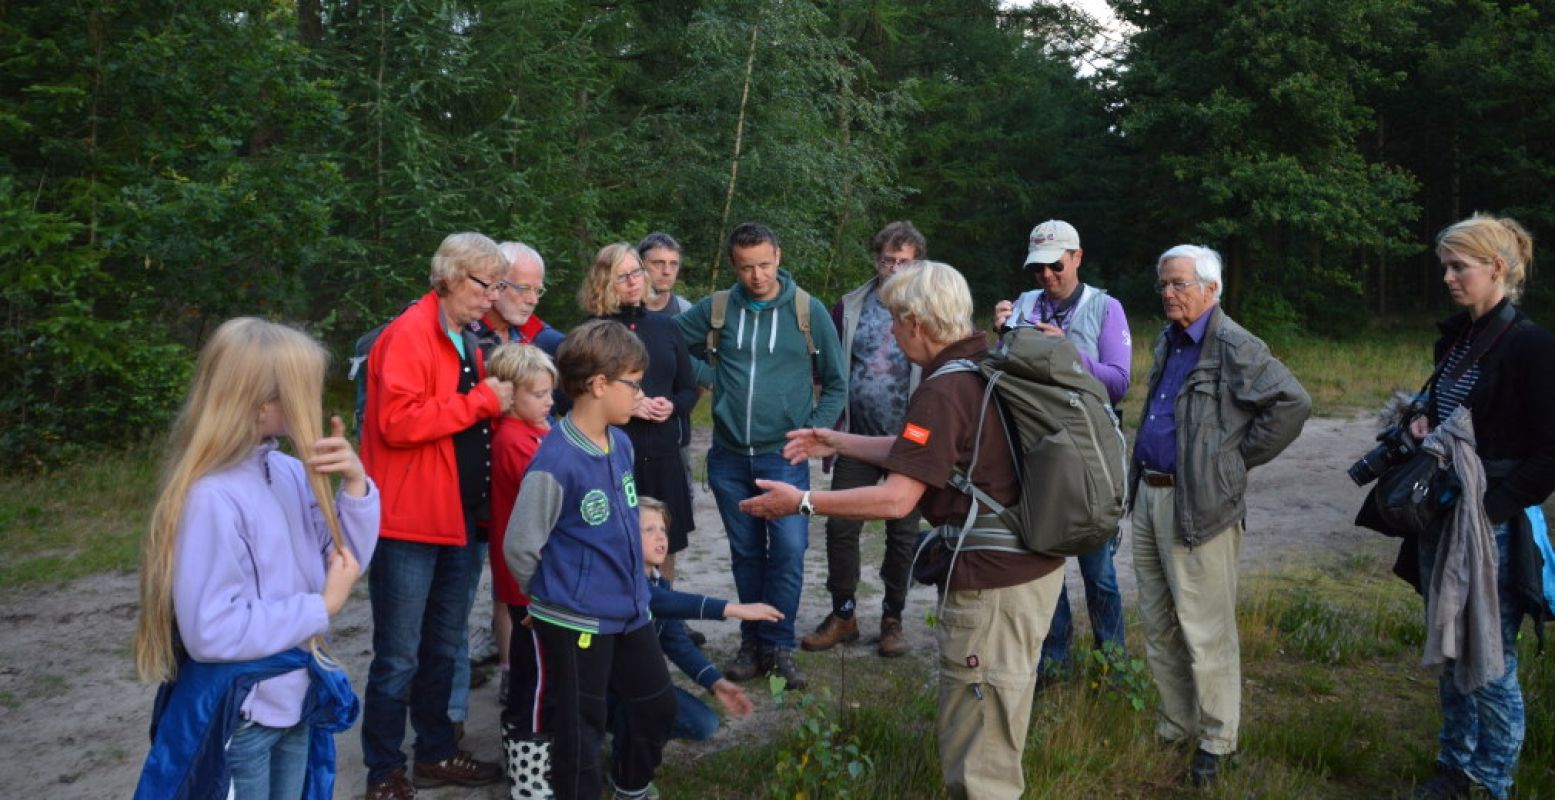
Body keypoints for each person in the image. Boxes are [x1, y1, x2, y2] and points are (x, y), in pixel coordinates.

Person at [741, 261, 1065, 800]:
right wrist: (839, 441)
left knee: (981, 753)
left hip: (994, 585)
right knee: (995, 729)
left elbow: (896, 499)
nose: (891, 333)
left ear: (918, 321)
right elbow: (931, 453)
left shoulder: (943, 389)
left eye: (895, 320)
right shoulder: (983, 363)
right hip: (1027, 570)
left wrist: (799, 501)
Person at [132, 317, 380, 800]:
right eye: (301, 387)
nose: (312, 398)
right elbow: (210, 630)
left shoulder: (287, 471)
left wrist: (354, 486)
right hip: (244, 715)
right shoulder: (212, 497)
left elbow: (343, 562)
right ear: (263, 402)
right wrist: (319, 609)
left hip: (294, 696)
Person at [1130, 244, 1310, 787]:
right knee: (1159, 625)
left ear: (1211, 289)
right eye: (1164, 283)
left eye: (1180, 283)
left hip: (1200, 505)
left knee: (1205, 630)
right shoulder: (1169, 340)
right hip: (1150, 496)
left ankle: (1216, 740)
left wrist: (1230, 462)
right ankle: (1175, 725)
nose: (1168, 293)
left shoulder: (1233, 344)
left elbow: (1292, 402)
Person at [1396, 215, 1555, 800]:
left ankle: (1493, 782)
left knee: (1491, 657)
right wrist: (1423, 427)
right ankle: (1453, 768)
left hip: (1493, 528)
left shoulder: (1533, 347)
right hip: (1446, 518)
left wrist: (1490, 511)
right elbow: (1457, 420)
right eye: (1445, 266)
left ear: (1497, 269)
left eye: (1459, 266)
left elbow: (1549, 454)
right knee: (1449, 642)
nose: (1447, 277)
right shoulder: (1458, 339)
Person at [360, 232, 512, 799]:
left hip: (454, 517)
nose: (491, 297)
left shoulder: (463, 335)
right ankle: (383, 771)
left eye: (498, 286)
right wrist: (482, 403)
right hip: (408, 522)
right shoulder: (408, 334)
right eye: (484, 285)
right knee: (398, 656)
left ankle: (435, 753)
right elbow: (396, 423)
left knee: (441, 647)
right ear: (448, 276)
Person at [505, 319, 677, 800]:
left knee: (657, 706)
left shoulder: (620, 442)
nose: (640, 394)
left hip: (629, 610)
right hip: (576, 619)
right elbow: (520, 545)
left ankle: (629, 784)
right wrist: (546, 599)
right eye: (634, 383)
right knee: (580, 731)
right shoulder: (555, 461)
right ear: (599, 385)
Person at [676, 222, 847, 691]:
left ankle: (779, 647)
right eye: (747, 267)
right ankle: (752, 643)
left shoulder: (806, 310)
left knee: (789, 552)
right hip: (729, 458)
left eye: (765, 264)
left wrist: (814, 431)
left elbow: (837, 382)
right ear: (734, 264)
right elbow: (668, 341)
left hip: (783, 457)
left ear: (779, 255)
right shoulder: (717, 308)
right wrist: (708, 376)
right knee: (747, 554)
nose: (757, 276)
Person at [992, 219, 1132, 681]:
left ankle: (1113, 667)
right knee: (1044, 563)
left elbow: (1117, 383)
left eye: (1055, 265)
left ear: (1077, 257)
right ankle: (1055, 662)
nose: (1047, 277)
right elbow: (1004, 373)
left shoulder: (1105, 308)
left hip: (1088, 457)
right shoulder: (1025, 304)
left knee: (1099, 572)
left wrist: (1068, 349)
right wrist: (1002, 335)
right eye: (1038, 269)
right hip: (1035, 453)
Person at [803, 220, 926, 658]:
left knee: (904, 533)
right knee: (840, 526)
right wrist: (830, 430)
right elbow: (828, 374)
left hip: (910, 440)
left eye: (904, 261)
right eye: (887, 259)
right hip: (855, 435)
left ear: (918, 263)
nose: (894, 268)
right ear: (876, 259)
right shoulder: (850, 305)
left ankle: (893, 618)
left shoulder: (929, 307)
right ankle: (844, 613)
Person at [467, 240, 561, 728]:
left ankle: (519, 689)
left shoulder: (533, 338)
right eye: (523, 288)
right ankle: (521, 720)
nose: (531, 298)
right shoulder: (467, 332)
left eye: (536, 289)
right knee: (514, 612)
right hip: (483, 511)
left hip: (512, 525)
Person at [616, 497, 781, 749]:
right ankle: (623, 755)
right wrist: (734, 609)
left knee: (703, 723)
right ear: (625, 536)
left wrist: (716, 682)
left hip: (642, 685)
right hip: (606, 689)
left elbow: (677, 643)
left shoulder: (660, 583)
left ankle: (635, 741)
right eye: (649, 530)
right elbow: (659, 601)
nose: (660, 537)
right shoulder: (621, 583)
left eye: (663, 529)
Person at [579, 243, 698, 583]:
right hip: (612, 453)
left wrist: (672, 405)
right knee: (616, 541)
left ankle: (667, 621)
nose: (633, 282)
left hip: (663, 451)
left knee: (665, 540)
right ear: (603, 281)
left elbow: (688, 389)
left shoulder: (666, 327)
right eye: (622, 276)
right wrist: (629, 405)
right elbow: (570, 396)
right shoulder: (591, 332)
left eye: (636, 273)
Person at [483, 343, 556, 800]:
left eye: (551, 393)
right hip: (527, 576)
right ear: (510, 397)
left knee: (538, 668)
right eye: (539, 394)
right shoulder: (513, 439)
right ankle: (529, 774)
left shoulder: (534, 430)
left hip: (534, 570)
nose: (550, 401)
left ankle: (536, 757)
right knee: (535, 673)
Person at [638, 232, 694, 316]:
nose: (667, 271)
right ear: (639, 265)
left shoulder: (686, 312)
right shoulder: (620, 311)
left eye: (673, 264)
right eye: (658, 263)